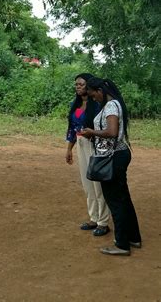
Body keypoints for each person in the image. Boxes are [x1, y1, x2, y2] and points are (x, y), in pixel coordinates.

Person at [80, 77, 142, 256]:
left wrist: (92, 132)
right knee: (123, 199)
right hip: (118, 155)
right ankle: (133, 238)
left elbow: (112, 132)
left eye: (93, 95)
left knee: (115, 201)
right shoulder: (114, 104)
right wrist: (94, 136)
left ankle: (122, 244)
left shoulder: (110, 106)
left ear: (100, 91)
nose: (93, 99)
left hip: (112, 158)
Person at [66, 73, 110, 236]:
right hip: (81, 144)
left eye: (81, 84)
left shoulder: (98, 105)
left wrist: (94, 135)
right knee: (87, 183)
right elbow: (72, 128)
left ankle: (103, 222)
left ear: (89, 86)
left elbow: (105, 127)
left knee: (98, 184)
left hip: (95, 145)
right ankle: (94, 218)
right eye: (76, 84)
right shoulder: (75, 105)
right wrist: (69, 148)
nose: (78, 87)